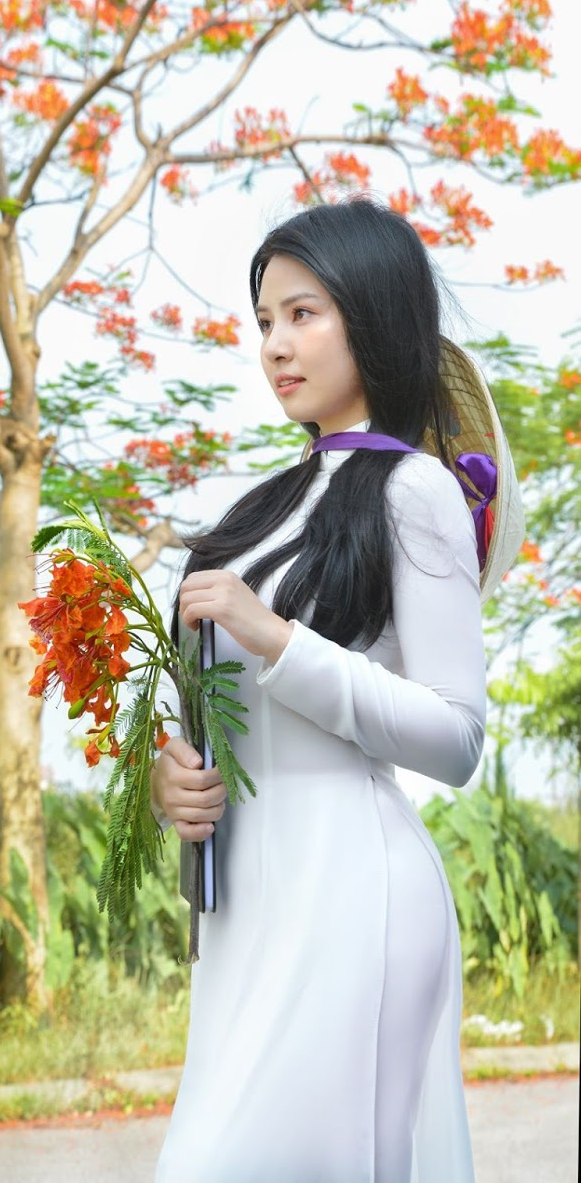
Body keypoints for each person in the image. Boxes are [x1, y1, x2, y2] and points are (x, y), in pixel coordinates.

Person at [150, 197, 523, 1183]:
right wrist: (170, 781)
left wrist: (276, 638)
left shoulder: (414, 490)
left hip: (352, 893)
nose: (274, 344)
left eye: (302, 313)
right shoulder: (259, 510)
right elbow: (220, 720)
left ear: (373, 314)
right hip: (245, 907)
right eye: (264, 319)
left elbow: (455, 737)